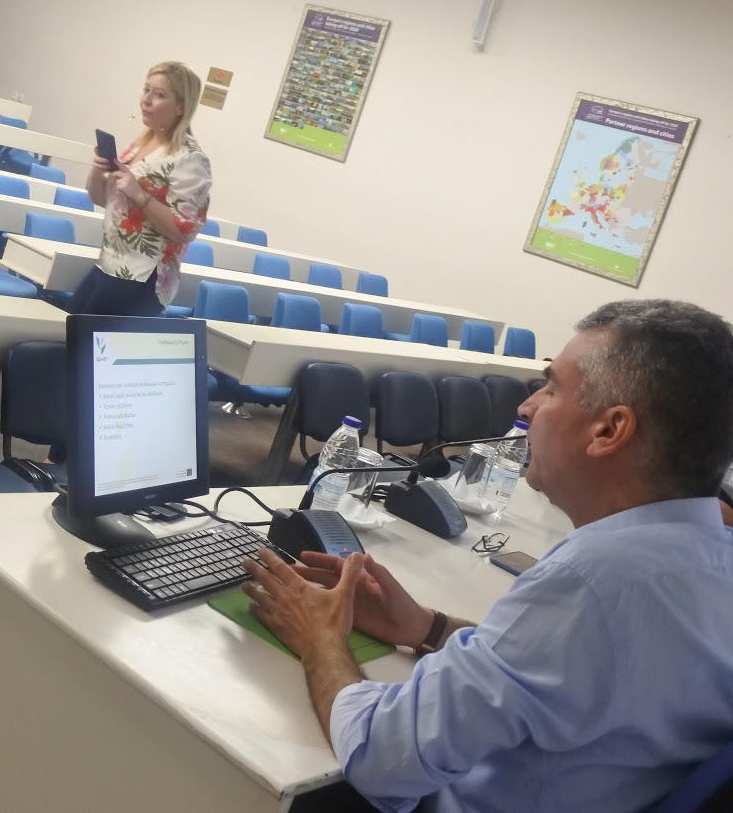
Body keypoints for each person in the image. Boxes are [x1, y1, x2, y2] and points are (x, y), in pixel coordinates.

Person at [242, 299, 733, 813]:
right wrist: (428, 627)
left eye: (552, 388)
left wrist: (320, 637)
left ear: (609, 431)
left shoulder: (592, 583)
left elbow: (382, 758)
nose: (527, 408)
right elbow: (561, 670)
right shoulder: (709, 553)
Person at [71, 61, 209, 316]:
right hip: (109, 263)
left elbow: (184, 231)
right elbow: (102, 199)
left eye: (159, 94)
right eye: (146, 90)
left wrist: (139, 195)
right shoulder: (141, 144)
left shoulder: (190, 159)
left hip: (142, 277)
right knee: (71, 328)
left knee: (84, 337)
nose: (146, 100)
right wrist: (98, 170)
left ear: (181, 106)